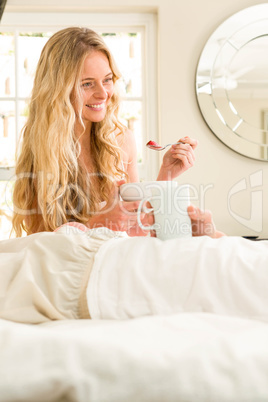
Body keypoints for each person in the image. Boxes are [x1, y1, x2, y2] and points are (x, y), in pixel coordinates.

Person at [11, 26, 198, 238]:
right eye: (87, 84)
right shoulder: (41, 148)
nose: (103, 93)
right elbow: (38, 244)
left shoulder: (121, 140)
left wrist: (166, 175)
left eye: (107, 80)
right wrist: (95, 224)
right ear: (58, 90)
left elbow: (138, 227)